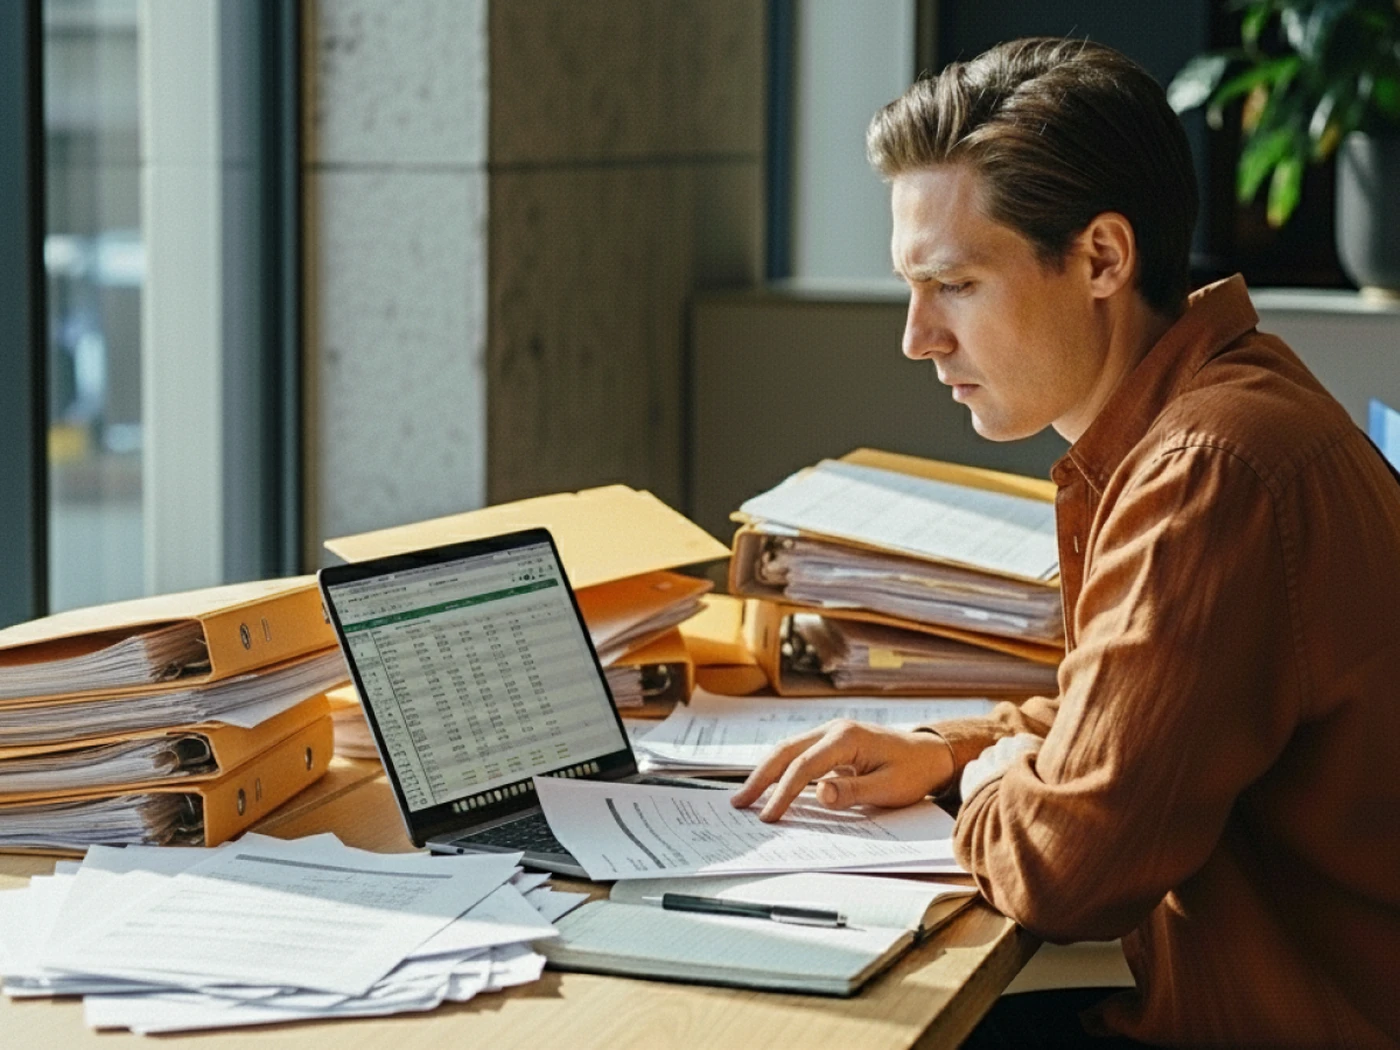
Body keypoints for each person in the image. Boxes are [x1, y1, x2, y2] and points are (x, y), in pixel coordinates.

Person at [730, 37, 1400, 1050]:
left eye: (952, 283)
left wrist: (988, 778)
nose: (916, 337)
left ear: (1100, 258)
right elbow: (1126, 716)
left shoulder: (1206, 466)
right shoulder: (1228, 408)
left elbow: (1062, 873)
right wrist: (947, 752)